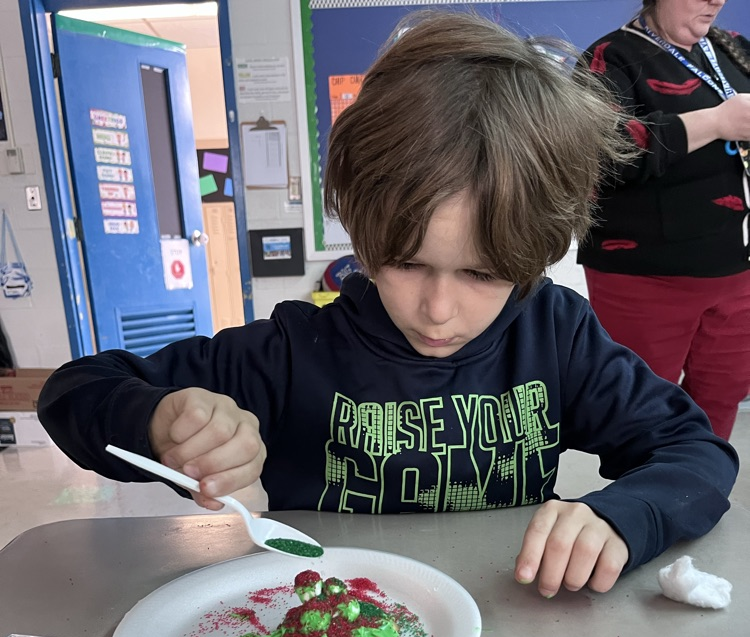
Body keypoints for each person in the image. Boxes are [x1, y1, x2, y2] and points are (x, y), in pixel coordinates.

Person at [37, 11, 738, 600]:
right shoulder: (289, 353)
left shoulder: (555, 335)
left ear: (538, 253)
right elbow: (75, 392)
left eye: (484, 274)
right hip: (316, 632)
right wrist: (159, 421)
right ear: (364, 234)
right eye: (407, 263)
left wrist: (624, 516)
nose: (438, 310)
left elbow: (697, 453)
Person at [577, 0, 750, 441]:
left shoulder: (731, 49)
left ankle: (700, 489)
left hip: (736, 271)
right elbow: (602, 155)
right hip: (646, 276)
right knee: (642, 409)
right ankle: (646, 503)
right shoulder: (610, 57)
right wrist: (715, 122)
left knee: (721, 398)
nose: (716, 0)